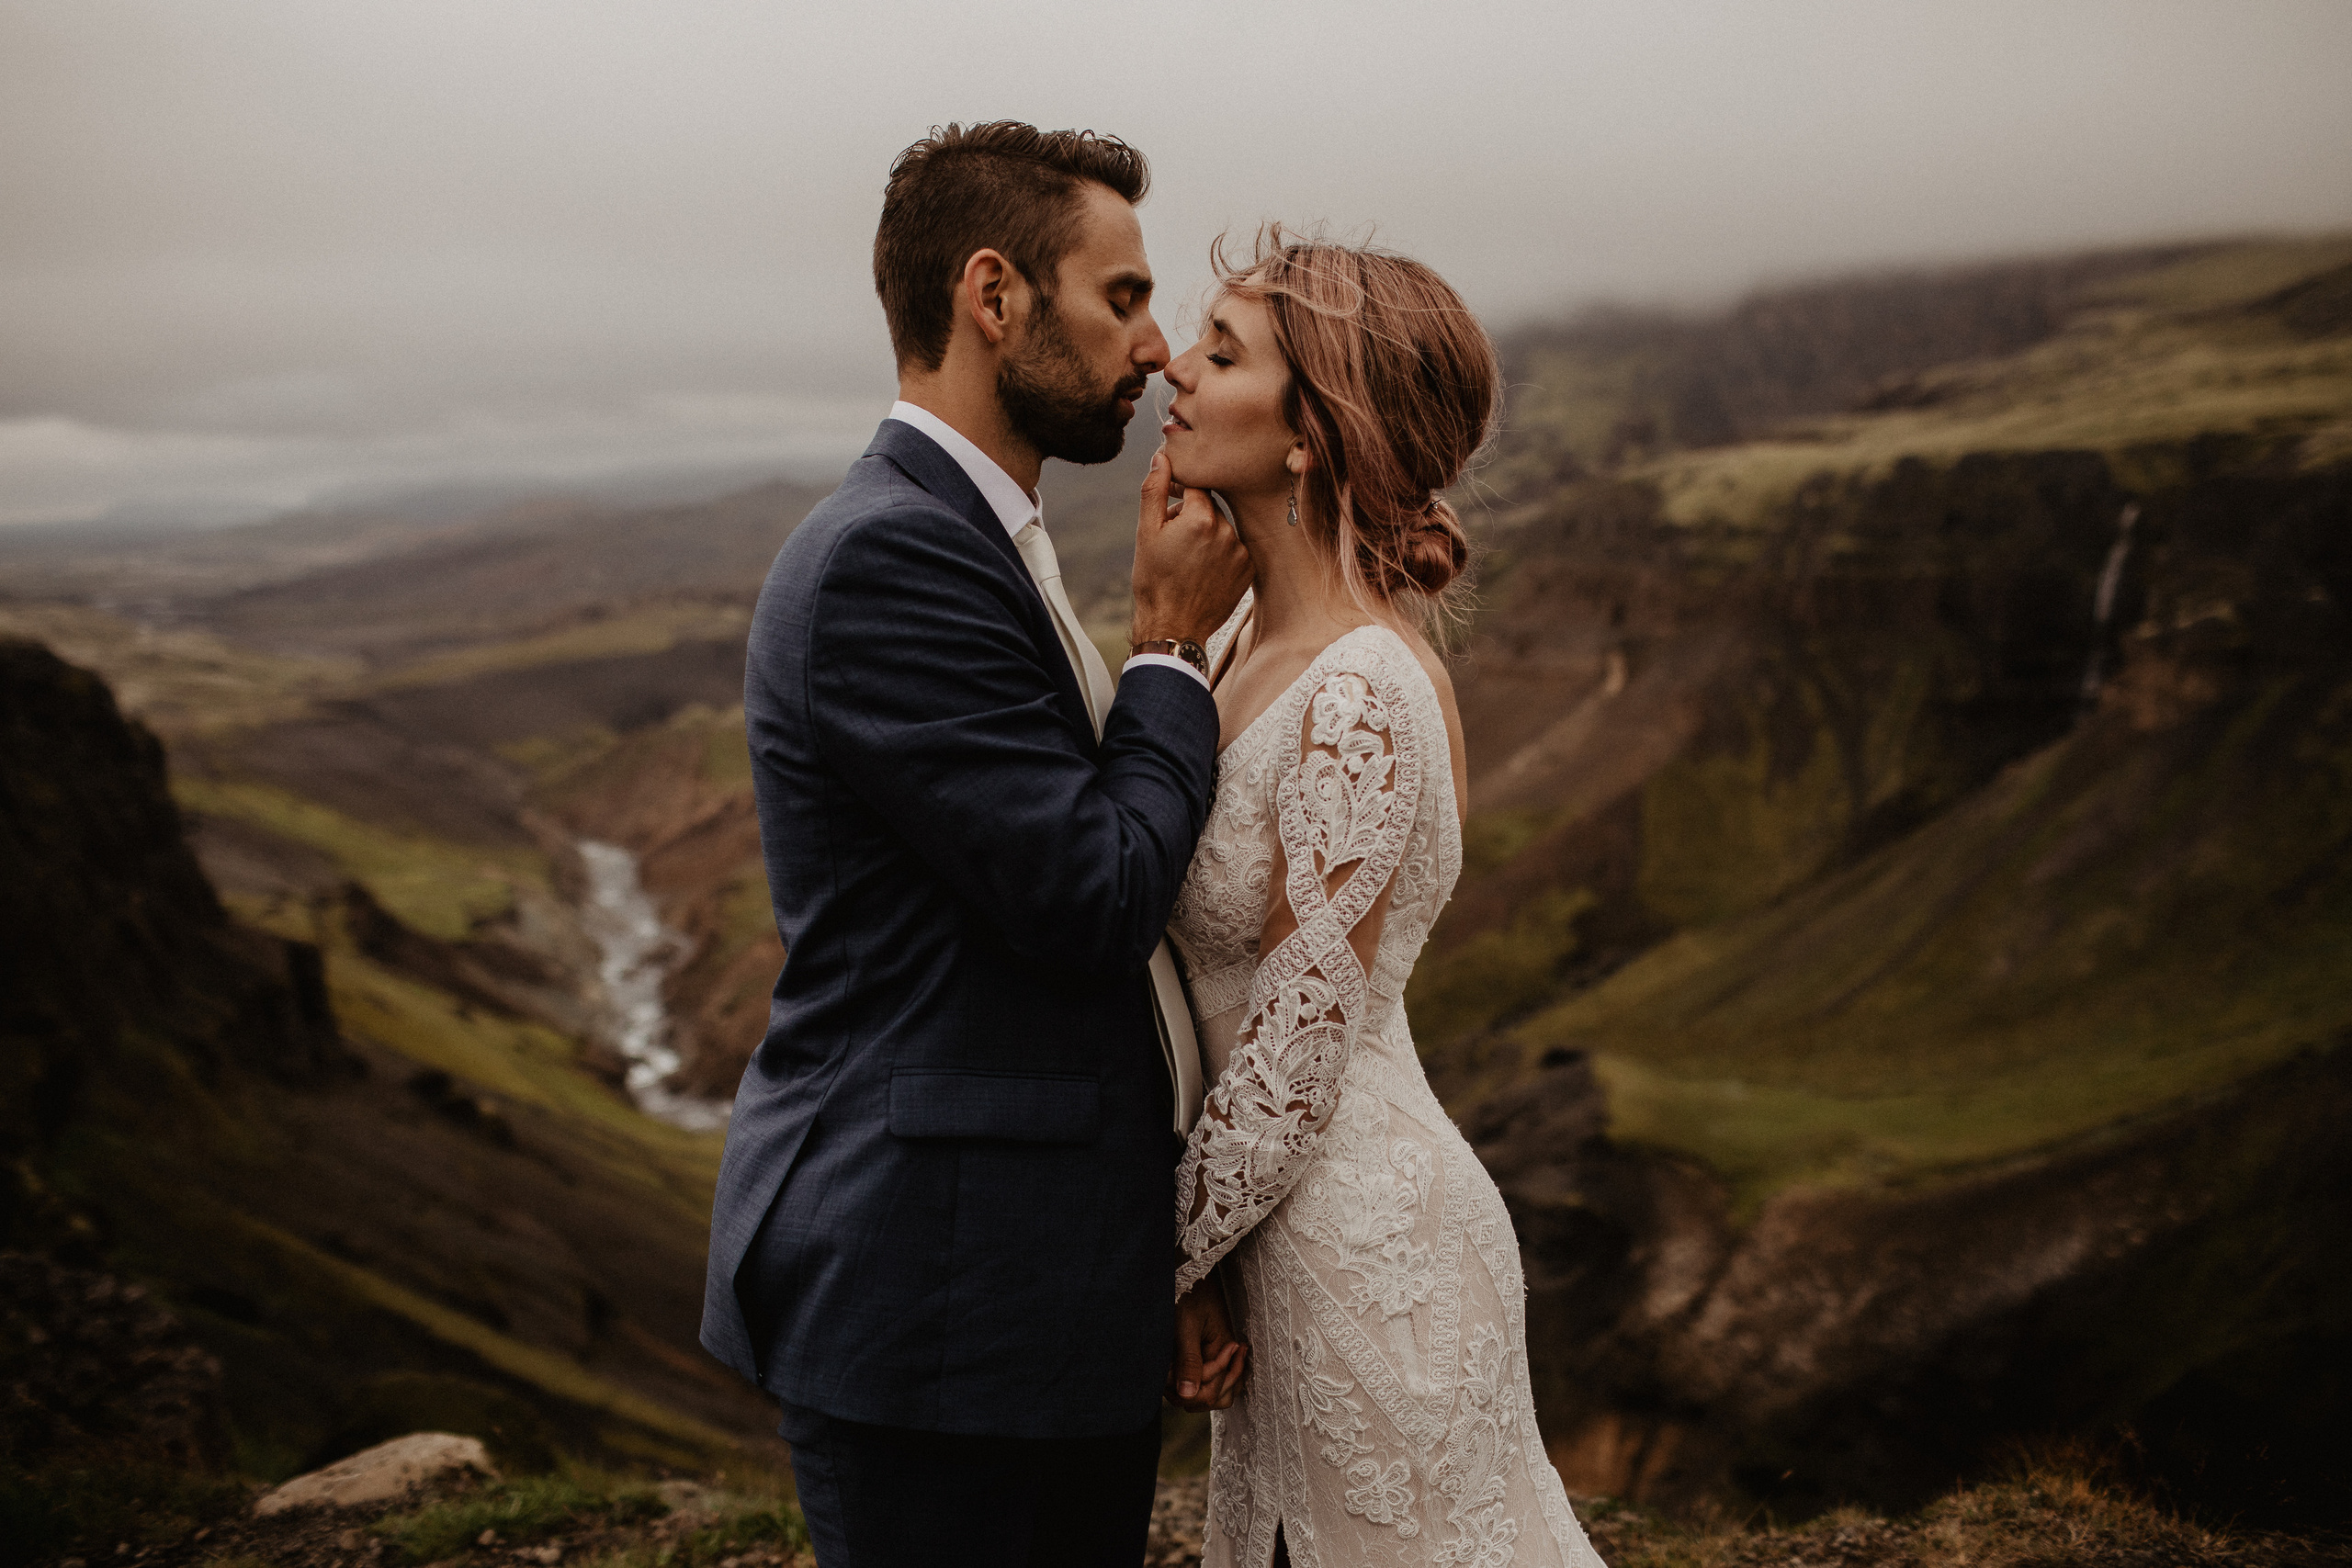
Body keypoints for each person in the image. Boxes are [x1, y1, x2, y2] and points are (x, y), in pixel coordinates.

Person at [698, 122, 1253, 1566]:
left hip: (1026, 1288)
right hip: (940, 1299)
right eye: (1122, 298)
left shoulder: (970, 535)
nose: (1157, 350)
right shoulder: (895, 556)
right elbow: (1092, 894)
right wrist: (1174, 652)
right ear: (993, 297)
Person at [1159, 229, 1607, 1567]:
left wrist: (1131, 1272)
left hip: (1369, 1248)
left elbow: (1296, 1062)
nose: (1176, 368)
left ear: (1309, 436)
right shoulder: (1241, 639)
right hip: (1269, 1236)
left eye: (1224, 352)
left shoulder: (1360, 690)